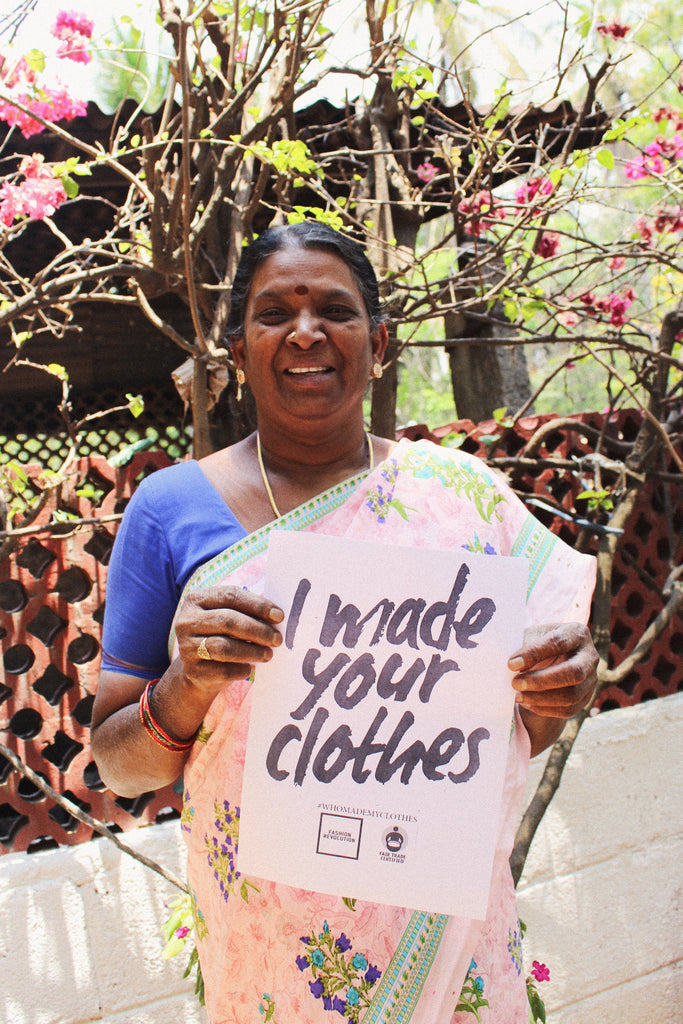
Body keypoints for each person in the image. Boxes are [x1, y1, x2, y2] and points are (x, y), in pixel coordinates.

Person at [91, 221, 598, 1024]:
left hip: (449, 952)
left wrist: (557, 687)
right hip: (267, 961)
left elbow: (509, 733)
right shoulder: (170, 510)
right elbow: (120, 768)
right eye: (272, 313)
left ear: (379, 341)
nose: (304, 331)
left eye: (334, 308)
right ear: (237, 347)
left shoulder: (461, 499)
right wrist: (188, 686)